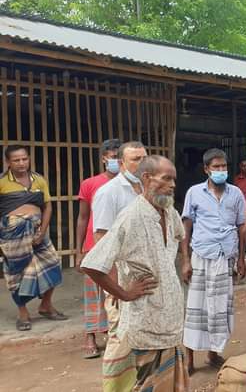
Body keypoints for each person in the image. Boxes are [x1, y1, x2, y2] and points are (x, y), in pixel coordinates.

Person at [82, 155, 189, 392]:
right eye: (166, 179)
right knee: (146, 384)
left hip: (171, 315)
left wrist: (184, 263)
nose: (172, 185)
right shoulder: (130, 217)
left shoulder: (169, 211)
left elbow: (180, 237)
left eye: (174, 179)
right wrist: (124, 293)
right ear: (146, 178)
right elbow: (92, 264)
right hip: (144, 317)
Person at [181, 148, 246, 375]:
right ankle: (189, 357)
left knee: (220, 308)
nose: (221, 171)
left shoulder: (236, 194)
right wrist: (185, 260)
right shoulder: (194, 192)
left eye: (224, 167)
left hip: (225, 256)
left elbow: (242, 227)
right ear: (206, 169)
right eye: (216, 167)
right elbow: (186, 226)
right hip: (201, 255)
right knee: (196, 308)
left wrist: (241, 258)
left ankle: (213, 353)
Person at [91, 140, 147, 392]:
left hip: (144, 278)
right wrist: (114, 289)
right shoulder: (109, 193)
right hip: (122, 280)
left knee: (143, 335)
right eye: (135, 159)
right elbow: (102, 242)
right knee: (120, 336)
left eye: (143, 157)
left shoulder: (147, 189)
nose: (141, 163)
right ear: (121, 163)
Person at [0, 145, 66, 332]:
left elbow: (48, 207)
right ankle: (23, 313)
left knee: (53, 264)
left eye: (24, 159)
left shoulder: (38, 180)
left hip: (38, 230)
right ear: (8, 162)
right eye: (16, 160)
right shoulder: (2, 182)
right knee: (17, 273)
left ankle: (45, 305)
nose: (22, 163)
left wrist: (41, 232)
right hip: (12, 234)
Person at [75, 138, 121, 358]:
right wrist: (79, 250)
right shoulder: (90, 183)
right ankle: (90, 335)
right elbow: (83, 217)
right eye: (113, 157)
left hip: (120, 246)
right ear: (104, 159)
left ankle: (115, 334)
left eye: (119, 157)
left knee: (116, 291)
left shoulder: (129, 184)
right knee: (93, 293)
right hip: (94, 245)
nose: (117, 161)